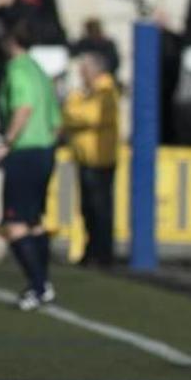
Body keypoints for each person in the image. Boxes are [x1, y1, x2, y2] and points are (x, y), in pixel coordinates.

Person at [0, 22, 61, 311]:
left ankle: (38, 285)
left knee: (15, 223)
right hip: (44, 150)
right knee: (33, 222)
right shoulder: (38, 69)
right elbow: (56, 120)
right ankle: (44, 283)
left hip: (25, 152)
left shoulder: (18, 69)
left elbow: (23, 108)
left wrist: (7, 142)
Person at [63, 52, 120, 268]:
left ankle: (102, 253)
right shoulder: (86, 93)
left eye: (84, 70)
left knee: (100, 208)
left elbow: (90, 116)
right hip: (85, 158)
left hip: (100, 159)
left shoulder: (106, 90)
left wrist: (74, 112)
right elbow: (70, 113)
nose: (81, 75)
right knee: (88, 207)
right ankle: (91, 250)